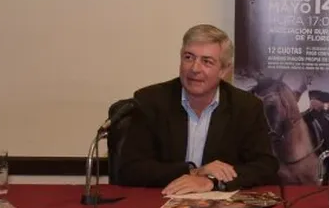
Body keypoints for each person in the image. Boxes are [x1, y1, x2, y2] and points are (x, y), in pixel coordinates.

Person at [117, 24, 279, 195]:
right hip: (161, 206)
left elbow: (265, 166)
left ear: (224, 70)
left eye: (207, 61)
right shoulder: (150, 101)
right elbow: (130, 169)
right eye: (188, 57)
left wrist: (211, 181)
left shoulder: (246, 107)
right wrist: (194, 172)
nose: (194, 69)